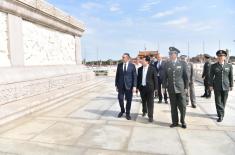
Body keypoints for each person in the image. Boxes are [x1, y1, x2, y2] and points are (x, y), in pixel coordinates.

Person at [163, 47, 188, 129]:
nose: (170, 55)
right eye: (169, 54)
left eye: (171, 54)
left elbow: (185, 76)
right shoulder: (167, 64)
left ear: (176, 54)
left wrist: (186, 87)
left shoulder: (182, 63)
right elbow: (164, 77)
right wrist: (164, 87)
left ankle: (183, 121)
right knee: (173, 106)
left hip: (180, 88)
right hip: (171, 88)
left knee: (183, 106)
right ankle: (175, 122)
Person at [209, 50, 233, 122]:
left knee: (224, 101)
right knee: (218, 101)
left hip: (226, 86)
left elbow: (230, 76)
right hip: (217, 86)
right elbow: (211, 76)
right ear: (217, 57)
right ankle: (221, 115)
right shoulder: (213, 66)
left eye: (222, 56)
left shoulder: (229, 66)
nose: (220, 57)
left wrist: (231, 85)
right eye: (219, 56)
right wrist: (210, 85)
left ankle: (220, 112)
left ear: (225, 57)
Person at [115, 53, 137, 120]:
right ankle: (122, 110)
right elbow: (117, 75)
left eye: (123, 57)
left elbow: (134, 77)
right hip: (121, 86)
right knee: (120, 98)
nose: (122, 58)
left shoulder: (132, 66)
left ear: (128, 58)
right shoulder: (119, 65)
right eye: (122, 57)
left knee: (129, 100)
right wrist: (116, 85)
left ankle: (127, 113)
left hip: (129, 86)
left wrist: (134, 86)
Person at [137, 56, 158, 122]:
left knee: (150, 103)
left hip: (150, 88)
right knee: (143, 101)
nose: (141, 61)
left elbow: (155, 79)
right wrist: (137, 87)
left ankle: (150, 116)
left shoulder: (152, 68)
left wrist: (156, 89)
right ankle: (144, 111)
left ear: (147, 61)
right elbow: (138, 79)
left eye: (143, 60)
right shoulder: (139, 69)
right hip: (142, 88)